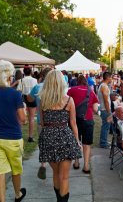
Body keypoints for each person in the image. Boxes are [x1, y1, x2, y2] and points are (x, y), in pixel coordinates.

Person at [38, 70, 82, 202]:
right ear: (62, 83)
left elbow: (42, 123)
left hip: (48, 137)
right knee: (65, 176)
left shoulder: (43, 100)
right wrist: (77, 141)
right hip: (65, 137)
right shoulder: (69, 100)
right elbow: (73, 124)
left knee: (56, 174)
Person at [0, 60, 26, 202]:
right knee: (16, 170)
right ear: (10, 77)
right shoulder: (16, 95)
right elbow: (22, 118)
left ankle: (1, 201)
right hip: (13, 138)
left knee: (0, 172)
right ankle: (17, 194)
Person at [67, 75, 99, 174]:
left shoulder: (71, 90)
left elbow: (66, 103)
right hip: (87, 119)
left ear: (77, 82)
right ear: (86, 82)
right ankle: (86, 166)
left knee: (76, 141)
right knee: (87, 144)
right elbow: (95, 109)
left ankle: (76, 163)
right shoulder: (91, 91)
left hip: (74, 120)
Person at [27, 67, 52, 180]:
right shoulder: (55, 88)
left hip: (41, 120)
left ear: (42, 76)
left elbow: (29, 98)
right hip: (55, 120)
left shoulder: (37, 87)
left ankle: (43, 164)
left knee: (42, 142)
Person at [21, 66, 38, 142]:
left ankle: (20, 135)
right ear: (30, 72)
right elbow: (36, 90)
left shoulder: (22, 80)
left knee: (24, 117)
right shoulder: (34, 80)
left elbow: (20, 90)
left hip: (24, 98)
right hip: (32, 97)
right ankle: (30, 137)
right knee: (31, 118)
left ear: (24, 72)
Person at [98, 71, 113, 148]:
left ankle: (104, 141)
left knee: (105, 126)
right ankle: (103, 143)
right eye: (111, 77)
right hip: (105, 109)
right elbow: (106, 100)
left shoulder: (103, 85)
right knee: (105, 126)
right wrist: (109, 111)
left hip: (103, 109)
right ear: (108, 77)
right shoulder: (104, 86)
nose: (112, 79)